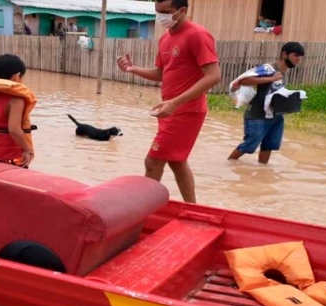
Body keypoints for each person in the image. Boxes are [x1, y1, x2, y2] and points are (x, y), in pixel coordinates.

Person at [116, 0, 221, 204]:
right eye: (157, 12)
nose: (160, 17)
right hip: (169, 110)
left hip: (186, 111)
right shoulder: (166, 38)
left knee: (152, 161)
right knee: (177, 161)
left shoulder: (197, 35)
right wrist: (133, 69)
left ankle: (143, 211)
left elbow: (213, 76)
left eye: (165, 12)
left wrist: (175, 102)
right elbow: (162, 73)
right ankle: (193, 207)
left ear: (182, 11)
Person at [227, 42, 305, 164]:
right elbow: (244, 80)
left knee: (269, 146)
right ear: (285, 54)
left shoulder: (285, 72)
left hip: (276, 116)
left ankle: (262, 172)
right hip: (257, 115)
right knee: (248, 146)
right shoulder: (269, 68)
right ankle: (229, 165)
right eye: (296, 55)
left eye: (301, 56)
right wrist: (271, 78)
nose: (299, 59)